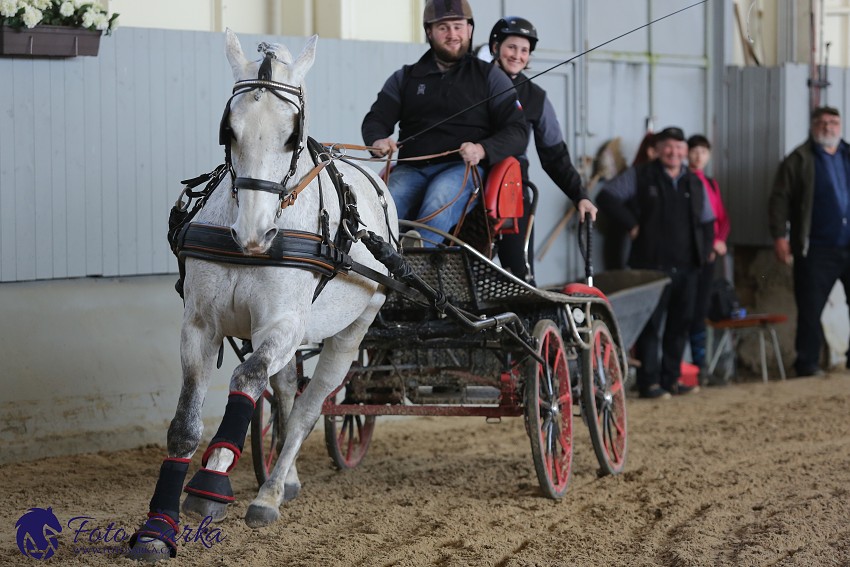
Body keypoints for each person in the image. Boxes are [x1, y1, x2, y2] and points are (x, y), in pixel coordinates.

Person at [361, 0, 527, 247]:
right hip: (411, 168)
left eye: (459, 27)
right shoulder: (405, 77)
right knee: (384, 202)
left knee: (439, 198)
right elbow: (376, 118)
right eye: (443, 28)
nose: (453, 35)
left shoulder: (491, 77)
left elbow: (518, 131)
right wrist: (377, 140)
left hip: (460, 168)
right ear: (429, 32)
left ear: (470, 29)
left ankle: (417, 266)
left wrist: (482, 150)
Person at [596, 127, 715, 398]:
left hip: (687, 266)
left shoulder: (694, 181)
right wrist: (632, 224)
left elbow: (707, 220)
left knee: (679, 324)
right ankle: (649, 382)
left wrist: (705, 250)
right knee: (651, 324)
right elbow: (607, 196)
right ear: (658, 149)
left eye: (679, 148)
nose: (675, 153)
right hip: (650, 267)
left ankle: (671, 379)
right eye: (668, 147)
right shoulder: (640, 175)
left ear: (684, 151)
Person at [486, 16, 597, 282]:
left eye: (524, 50)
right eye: (512, 47)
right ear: (495, 47)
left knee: (520, 274)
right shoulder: (472, 83)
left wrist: (579, 195)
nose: (518, 55)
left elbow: (554, 154)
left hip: (511, 193)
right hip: (467, 186)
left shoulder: (536, 97)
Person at [769, 106, 850, 377]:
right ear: (813, 126)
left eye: (833, 122)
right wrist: (780, 236)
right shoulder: (798, 160)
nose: (828, 127)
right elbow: (779, 200)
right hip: (815, 248)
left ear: (840, 126)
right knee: (810, 309)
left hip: (848, 245)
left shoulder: (848, 154)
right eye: (822, 122)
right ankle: (807, 364)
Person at [686, 134, 730, 381]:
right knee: (687, 310)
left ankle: (700, 365)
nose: (698, 156)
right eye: (694, 150)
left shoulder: (711, 183)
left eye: (703, 151)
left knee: (701, 310)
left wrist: (718, 241)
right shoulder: (684, 181)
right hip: (692, 256)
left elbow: (722, 218)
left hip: (710, 256)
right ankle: (683, 368)